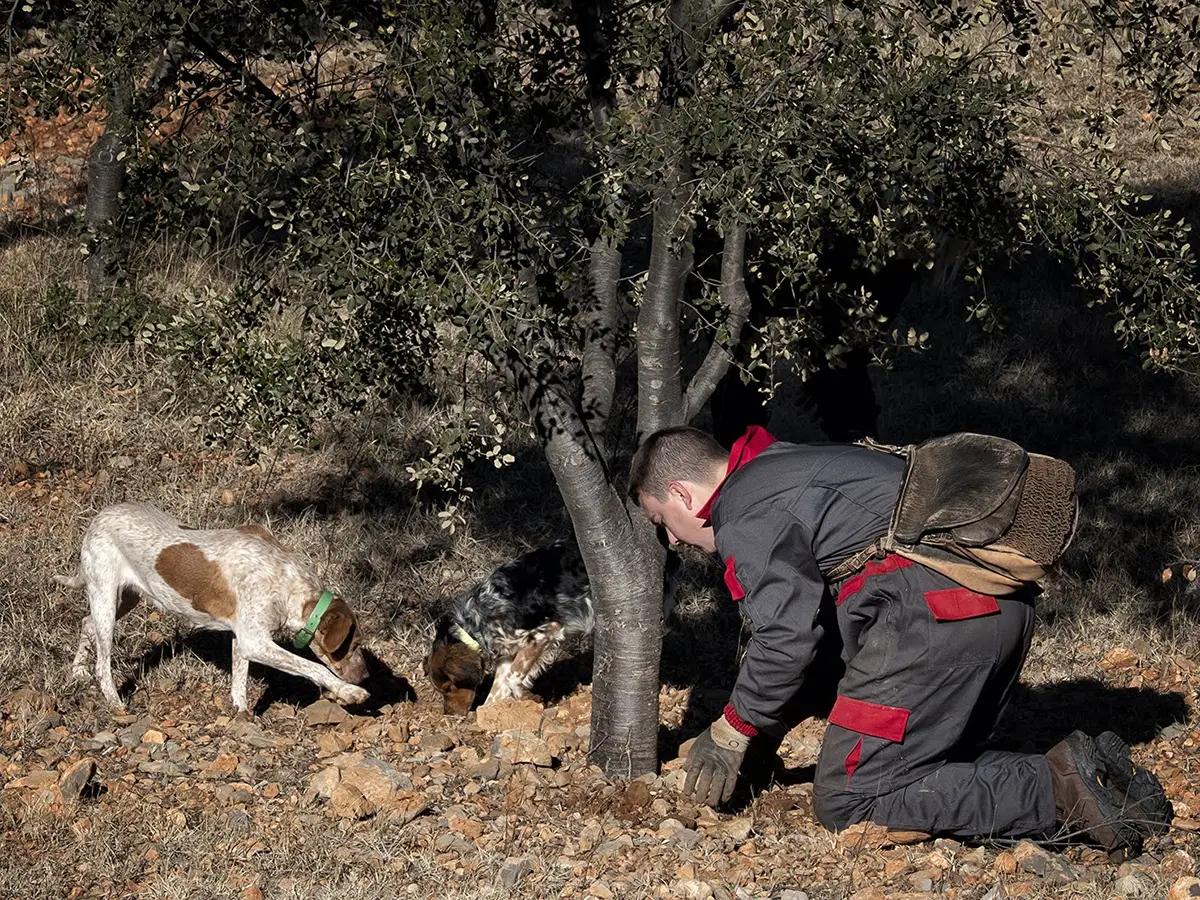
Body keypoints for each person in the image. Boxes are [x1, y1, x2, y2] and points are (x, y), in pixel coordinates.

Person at [628, 424, 1171, 856]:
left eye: (663, 520)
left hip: (935, 619)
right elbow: (818, 652)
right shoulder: (782, 466)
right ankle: (1099, 775)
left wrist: (734, 728)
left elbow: (785, 638)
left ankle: (1060, 791)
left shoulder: (743, 507)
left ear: (682, 492)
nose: (673, 539)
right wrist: (760, 744)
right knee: (925, 772)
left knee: (853, 800)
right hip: (992, 613)